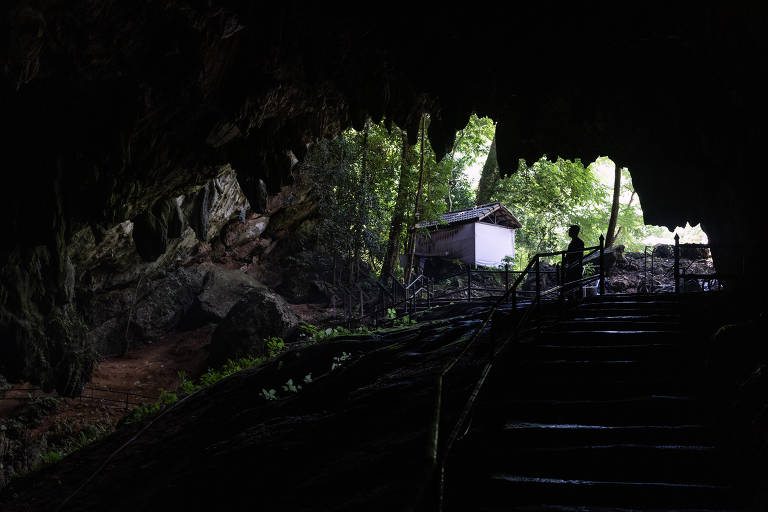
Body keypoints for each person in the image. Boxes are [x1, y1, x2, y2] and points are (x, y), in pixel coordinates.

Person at [564, 224, 585, 296]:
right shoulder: (574, 242)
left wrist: (567, 262)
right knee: (573, 284)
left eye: (570, 230)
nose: (569, 232)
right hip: (573, 266)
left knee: (574, 284)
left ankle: (576, 300)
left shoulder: (578, 242)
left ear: (574, 232)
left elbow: (576, 255)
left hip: (575, 267)